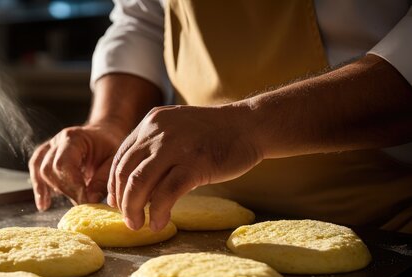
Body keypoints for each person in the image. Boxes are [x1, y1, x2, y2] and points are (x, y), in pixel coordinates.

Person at [30, 0, 412, 233]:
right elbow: (143, 20)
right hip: (192, 215)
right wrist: (111, 123)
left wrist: (246, 128)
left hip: (381, 226)